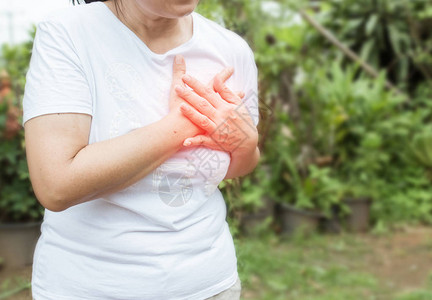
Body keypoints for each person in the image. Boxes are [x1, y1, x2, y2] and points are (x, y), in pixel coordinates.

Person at [23, 0, 259, 299]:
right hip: (92, 288)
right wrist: (182, 124)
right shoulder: (68, 34)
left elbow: (235, 164)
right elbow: (56, 185)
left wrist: (246, 146)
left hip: (209, 285)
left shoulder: (230, 50)